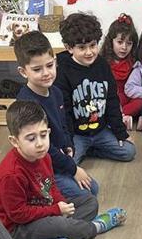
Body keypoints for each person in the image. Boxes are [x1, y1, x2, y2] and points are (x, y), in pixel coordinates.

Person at [0, 101, 127, 239]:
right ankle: (95, 227)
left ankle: (51, 238)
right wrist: (56, 210)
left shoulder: (44, 156)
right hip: (20, 226)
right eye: (31, 139)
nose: (40, 144)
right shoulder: (10, 175)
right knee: (59, 224)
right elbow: (18, 215)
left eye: (43, 135)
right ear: (15, 141)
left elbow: (51, 187)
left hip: (45, 209)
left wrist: (61, 204)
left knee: (89, 201)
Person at [14, 31, 97, 201]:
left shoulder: (56, 92)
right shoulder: (27, 105)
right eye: (37, 69)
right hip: (39, 170)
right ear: (23, 72)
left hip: (57, 162)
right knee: (86, 195)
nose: (46, 73)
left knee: (92, 188)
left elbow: (64, 123)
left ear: (55, 62)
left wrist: (68, 144)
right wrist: (73, 169)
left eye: (49, 65)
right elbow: (41, 148)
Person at [54, 12, 135, 163]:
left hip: (100, 131)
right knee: (69, 163)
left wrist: (121, 133)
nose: (89, 52)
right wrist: (68, 143)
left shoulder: (103, 65)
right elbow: (64, 111)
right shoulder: (62, 70)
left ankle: (91, 150)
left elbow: (112, 100)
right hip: (77, 134)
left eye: (92, 45)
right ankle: (83, 149)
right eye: (82, 47)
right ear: (69, 48)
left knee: (129, 151)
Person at [101, 14, 142, 133]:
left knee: (141, 102)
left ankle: (120, 116)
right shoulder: (103, 61)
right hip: (111, 98)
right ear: (111, 41)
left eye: (129, 43)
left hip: (128, 99)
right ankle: (119, 117)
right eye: (120, 42)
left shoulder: (134, 61)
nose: (124, 47)